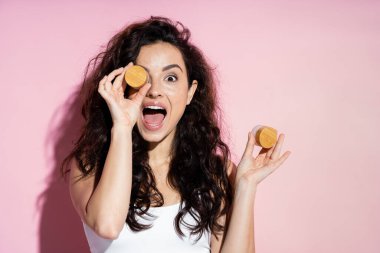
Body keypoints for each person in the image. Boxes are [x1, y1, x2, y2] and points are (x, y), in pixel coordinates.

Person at [62, 16, 291, 253]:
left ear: (190, 92)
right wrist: (122, 125)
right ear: (123, 85)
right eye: (142, 77)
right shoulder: (91, 167)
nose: (155, 91)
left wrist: (245, 186)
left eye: (170, 78)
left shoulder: (215, 173)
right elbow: (107, 225)